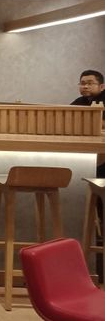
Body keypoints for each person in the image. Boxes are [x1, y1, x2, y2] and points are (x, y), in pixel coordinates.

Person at [71, 69, 105, 282]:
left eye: (89, 83)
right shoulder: (78, 103)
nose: (85, 86)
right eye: (82, 83)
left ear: (101, 86)